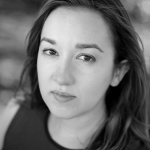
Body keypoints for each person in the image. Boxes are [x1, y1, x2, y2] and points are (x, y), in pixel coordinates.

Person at [0, 0, 150, 149]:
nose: (61, 77)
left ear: (118, 71)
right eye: (51, 51)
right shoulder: (14, 116)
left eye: (86, 57)